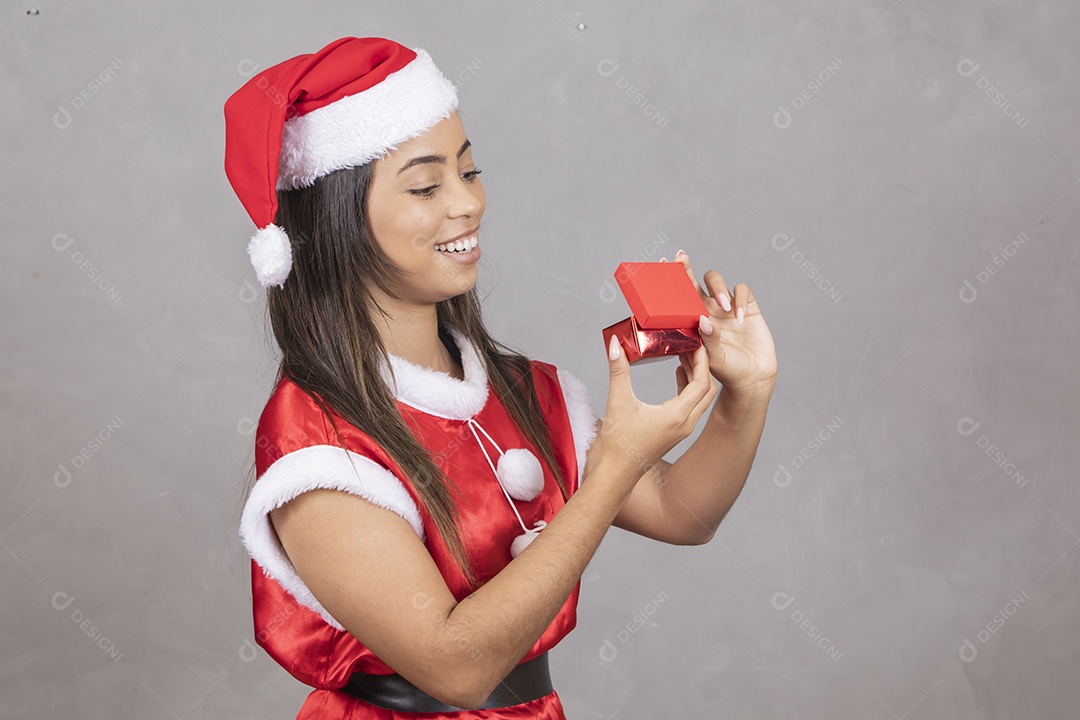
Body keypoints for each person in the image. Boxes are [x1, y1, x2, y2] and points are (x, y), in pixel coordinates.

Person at [226, 36, 777, 719]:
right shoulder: (316, 443)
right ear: (335, 222)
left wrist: (743, 398)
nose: (467, 204)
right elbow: (456, 669)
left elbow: (682, 513)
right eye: (427, 185)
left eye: (469, 170)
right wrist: (610, 472)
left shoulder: (524, 392)